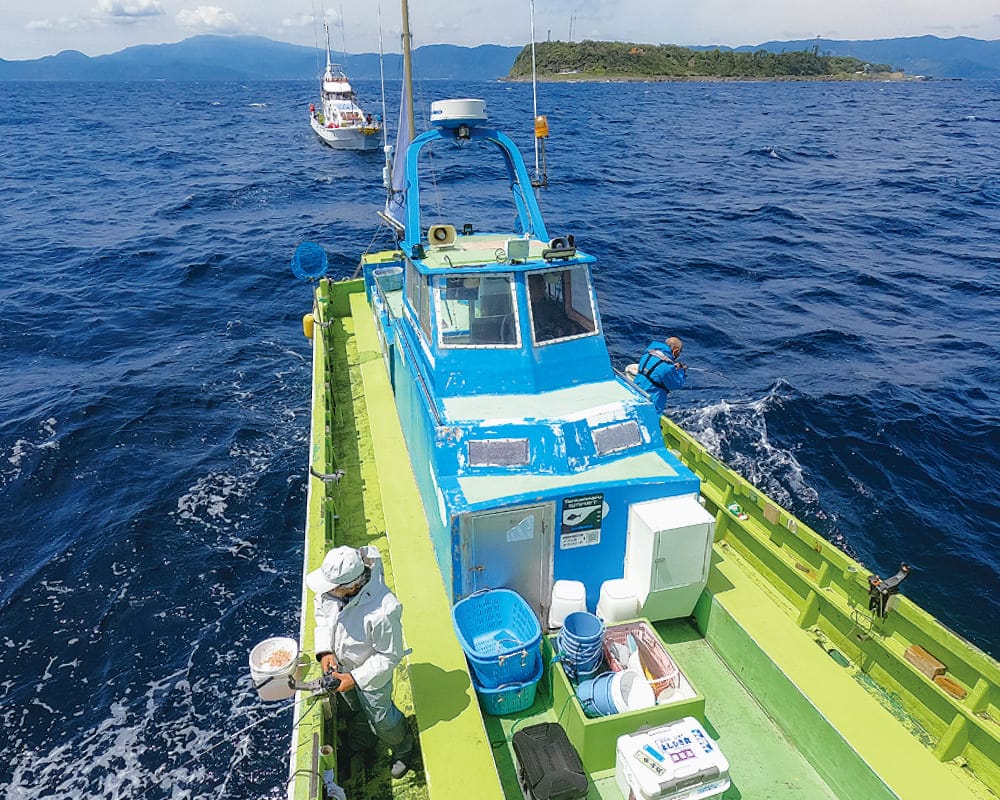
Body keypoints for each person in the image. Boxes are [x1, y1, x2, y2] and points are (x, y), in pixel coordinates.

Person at [307, 544, 415, 778]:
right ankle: (361, 741)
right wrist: (325, 651)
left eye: (331, 588)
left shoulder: (384, 611)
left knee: (382, 718)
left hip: (370, 676)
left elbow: (390, 655)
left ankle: (403, 747)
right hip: (343, 668)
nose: (325, 591)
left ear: (350, 587)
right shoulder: (332, 591)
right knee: (355, 709)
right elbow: (322, 615)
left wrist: (355, 677)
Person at [629, 336, 687, 413]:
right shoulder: (666, 368)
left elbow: (655, 368)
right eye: (679, 352)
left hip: (636, 392)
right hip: (651, 403)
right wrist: (681, 371)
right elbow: (676, 384)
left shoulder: (647, 355)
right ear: (675, 351)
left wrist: (673, 367)